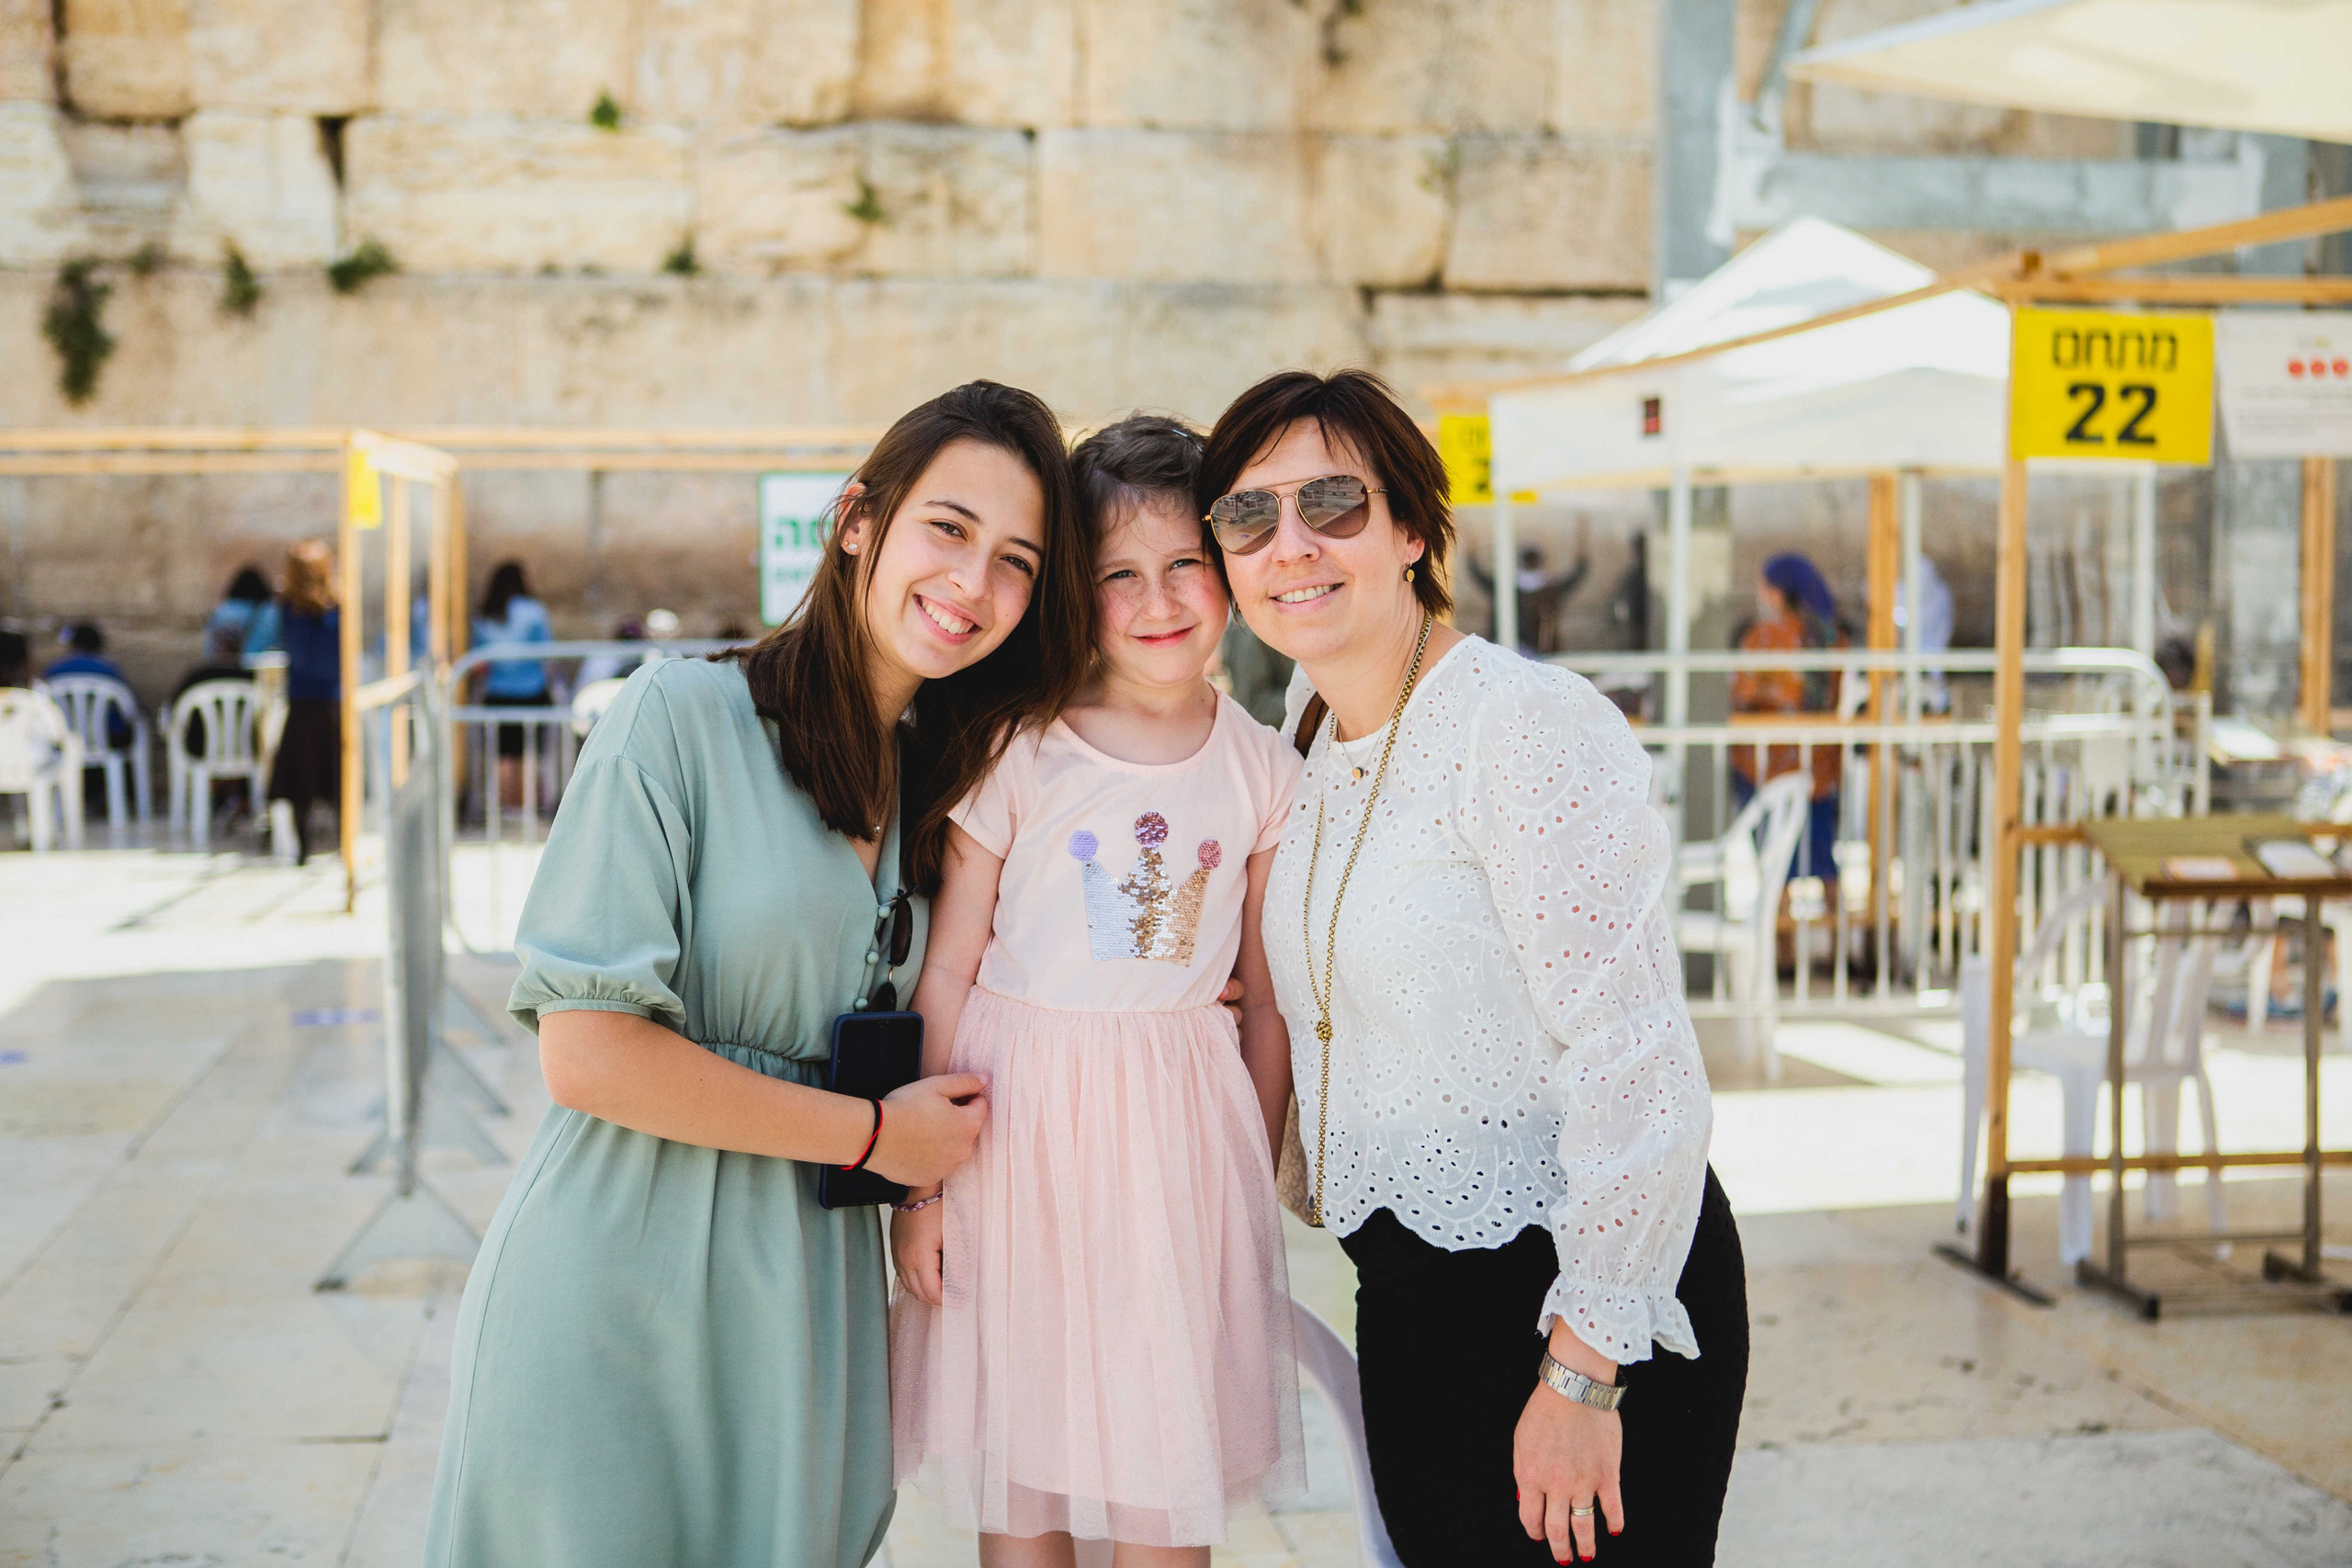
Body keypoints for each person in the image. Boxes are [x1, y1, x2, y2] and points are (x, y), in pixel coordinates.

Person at [423, 381, 1096, 1568]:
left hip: (808, 1313)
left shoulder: (955, 782)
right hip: (620, 1283)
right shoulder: (676, 717)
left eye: (1017, 560)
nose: (973, 583)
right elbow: (587, 1051)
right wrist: (869, 1134)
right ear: (855, 523)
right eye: (947, 528)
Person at [1200, 369, 1747, 1567]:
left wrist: (1586, 1371)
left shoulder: (1525, 725)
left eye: (1333, 503)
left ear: (1411, 529)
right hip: (1405, 1295)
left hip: (1572, 1295)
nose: (1289, 543)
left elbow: (1638, 1058)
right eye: (1248, 515)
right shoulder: (1304, 724)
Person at [889, 415, 1306, 1563]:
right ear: (1078, 591)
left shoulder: (1263, 766)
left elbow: (1264, 999)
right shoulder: (1019, 749)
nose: (1158, 599)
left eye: (1185, 565)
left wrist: (1246, 1161)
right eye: (1118, 575)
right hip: (1014, 1149)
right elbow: (949, 968)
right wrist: (920, 1192)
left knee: (1161, 1484)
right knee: (1021, 1482)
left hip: (1180, 1157)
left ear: (1227, 573)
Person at [1729, 552, 1847, 885]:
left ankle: (1779, 936)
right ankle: (1844, 935)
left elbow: (1742, 693)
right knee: (1825, 865)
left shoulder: (1763, 639)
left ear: (1778, 591)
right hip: (1820, 769)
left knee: (1775, 866)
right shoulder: (1834, 638)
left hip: (1770, 769)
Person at [258, 541, 342, 863]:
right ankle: (342, 844)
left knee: (299, 784)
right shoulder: (338, 606)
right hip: (330, 702)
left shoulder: (286, 608)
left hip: (304, 701)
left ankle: (303, 848)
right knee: (334, 779)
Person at [472, 560, 554, 809]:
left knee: (503, 756)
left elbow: (479, 660)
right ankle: (526, 809)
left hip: (497, 691)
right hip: (531, 690)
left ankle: (506, 808)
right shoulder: (534, 611)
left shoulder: (485, 614)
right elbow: (547, 652)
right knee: (529, 753)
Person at [205, 566, 273, 656]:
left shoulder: (222, 610)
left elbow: (209, 646)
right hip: (257, 664)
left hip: (223, 666)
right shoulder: (269, 612)